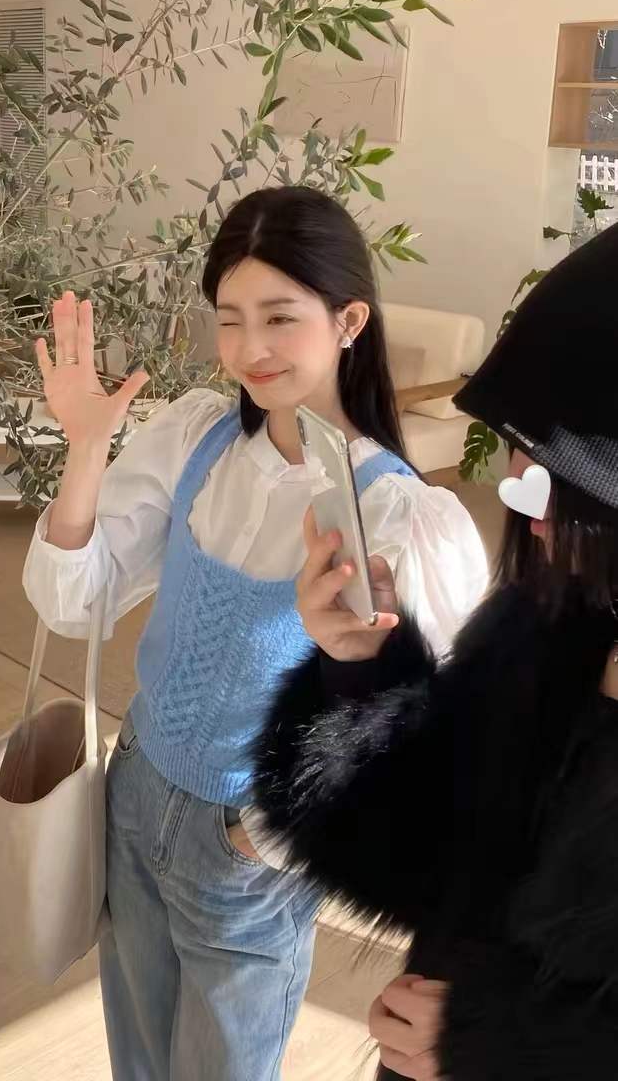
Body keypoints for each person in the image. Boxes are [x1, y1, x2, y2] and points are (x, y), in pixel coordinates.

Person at [23, 186, 488, 1081]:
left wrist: (268, 834)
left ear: (349, 320)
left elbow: (440, 735)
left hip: (252, 850)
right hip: (135, 792)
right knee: (137, 1060)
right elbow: (72, 601)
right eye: (229, 319)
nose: (249, 350)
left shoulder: (403, 517)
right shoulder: (197, 439)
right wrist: (85, 447)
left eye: (280, 317)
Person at [253, 221, 618, 1080]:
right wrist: (361, 673)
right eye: (518, 462)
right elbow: (417, 860)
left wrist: (507, 1038)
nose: (520, 500)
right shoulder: (549, 621)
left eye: (552, 478)